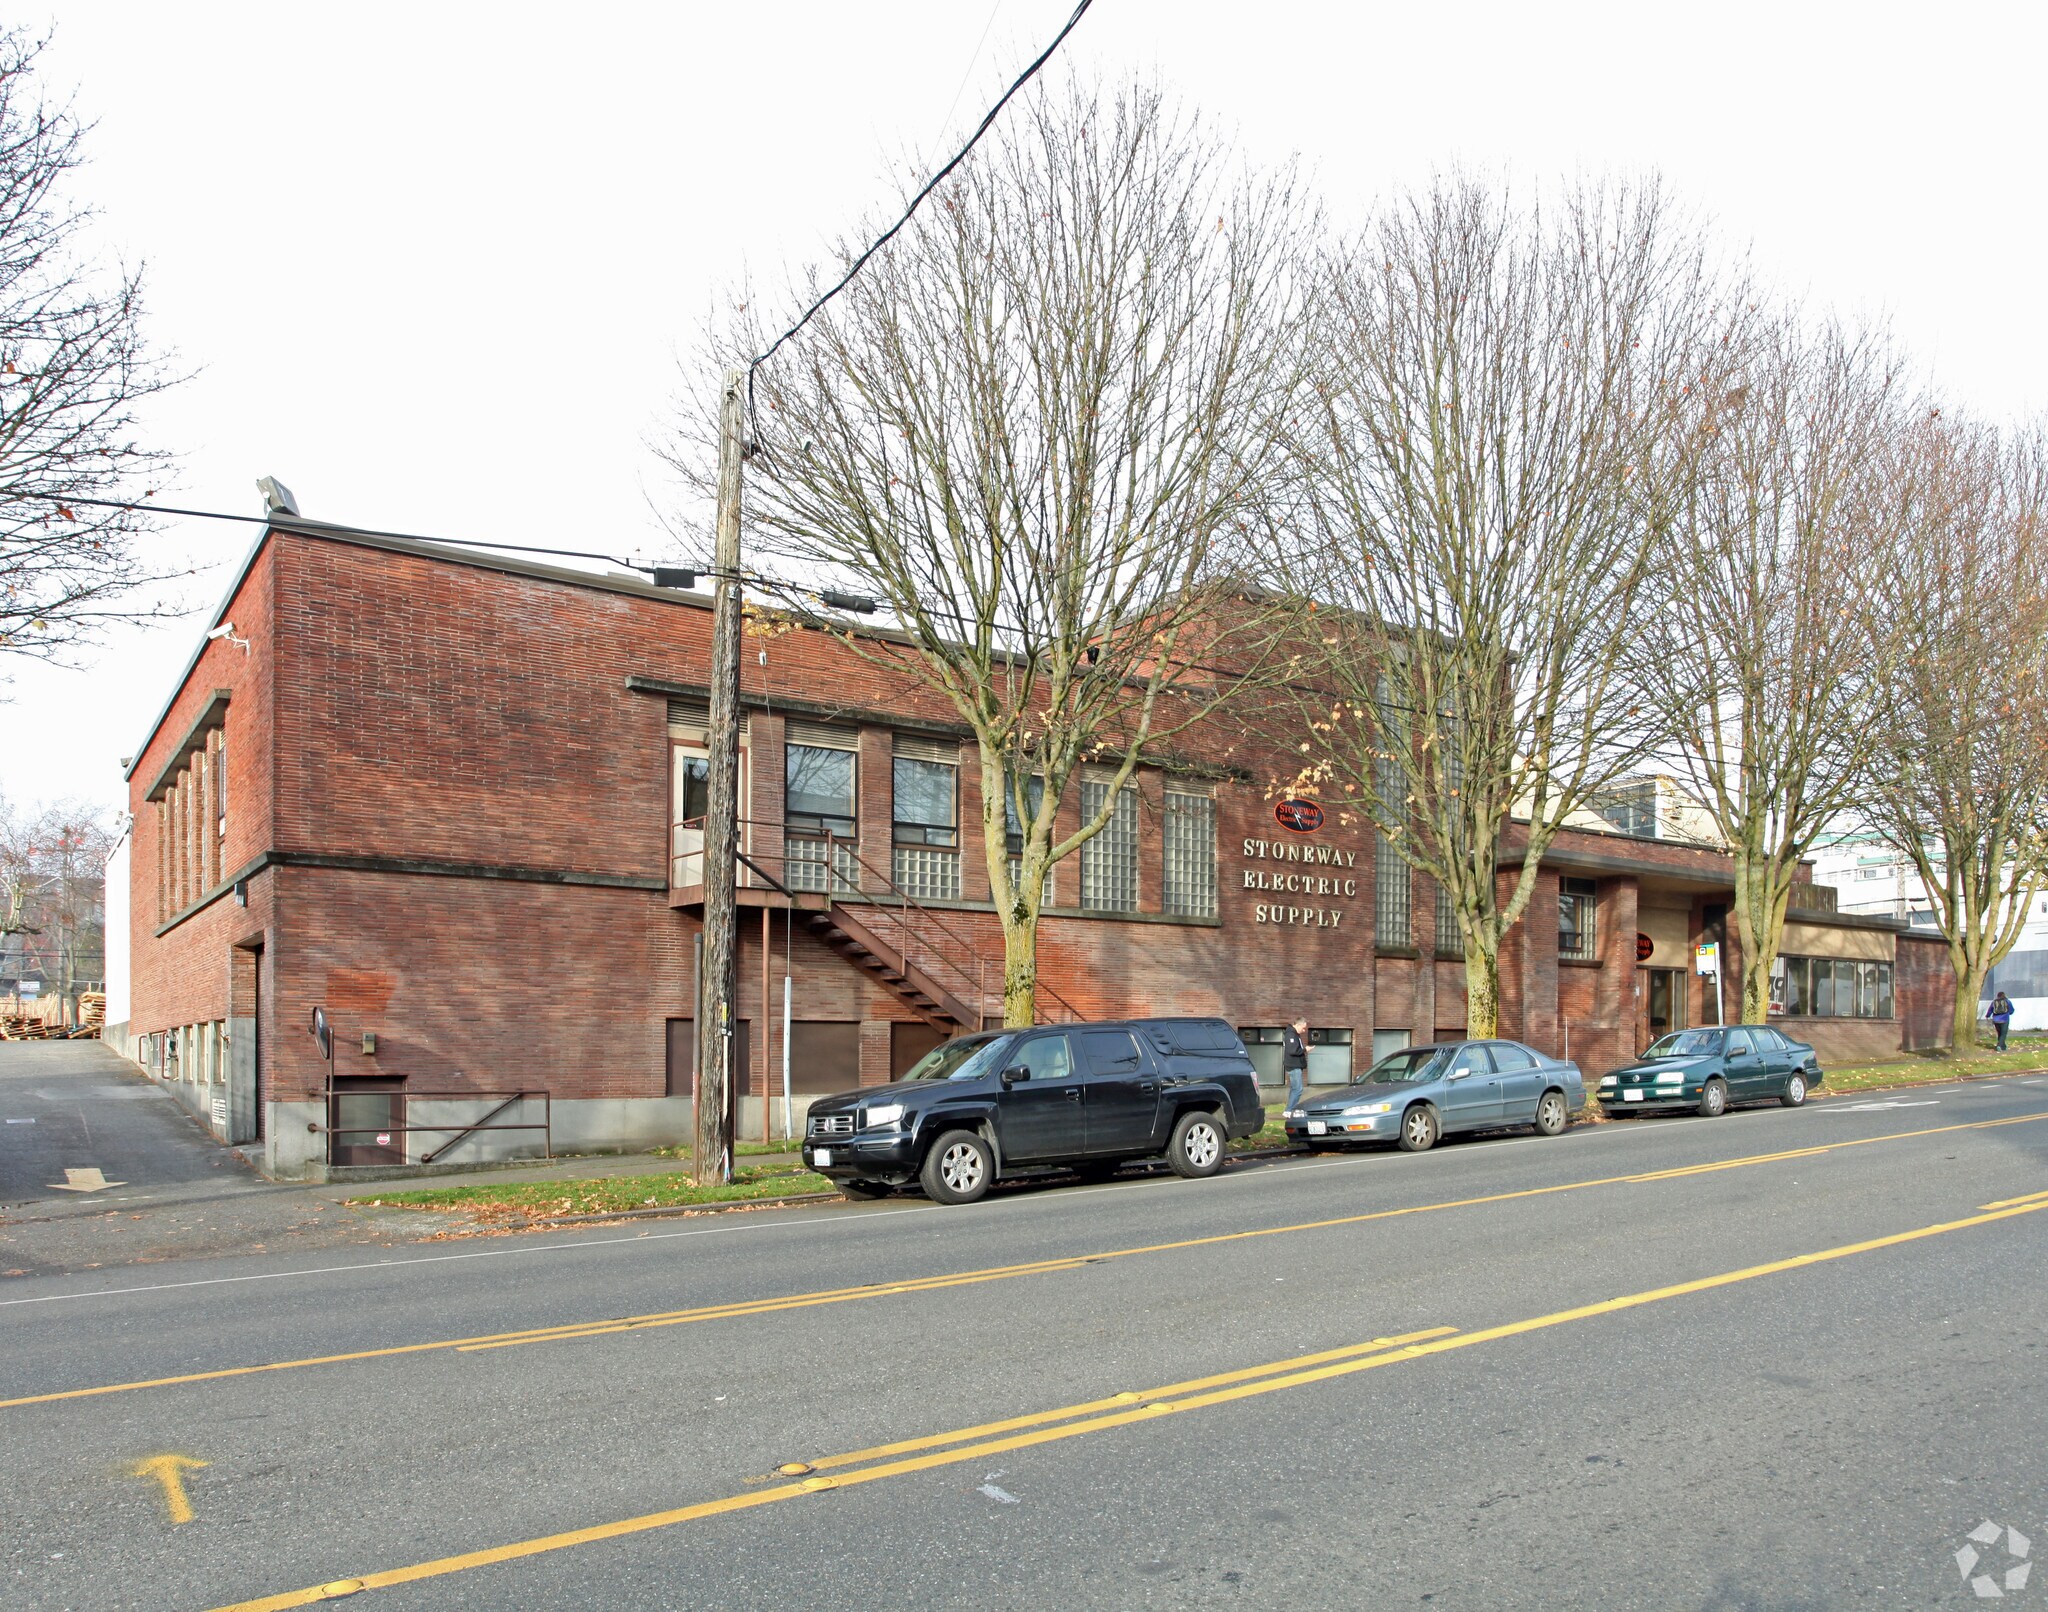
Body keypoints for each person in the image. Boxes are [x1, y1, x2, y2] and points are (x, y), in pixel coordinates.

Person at [1281, 1018, 1310, 1112]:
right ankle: (1290, 1110)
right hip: (1294, 1065)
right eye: (1303, 1028)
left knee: (1294, 1089)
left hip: (1295, 1065)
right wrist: (1305, 1049)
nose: (1304, 1030)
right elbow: (1293, 1050)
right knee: (1298, 1089)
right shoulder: (1291, 1035)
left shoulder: (1294, 1034)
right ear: (1298, 1025)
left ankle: (1289, 1110)